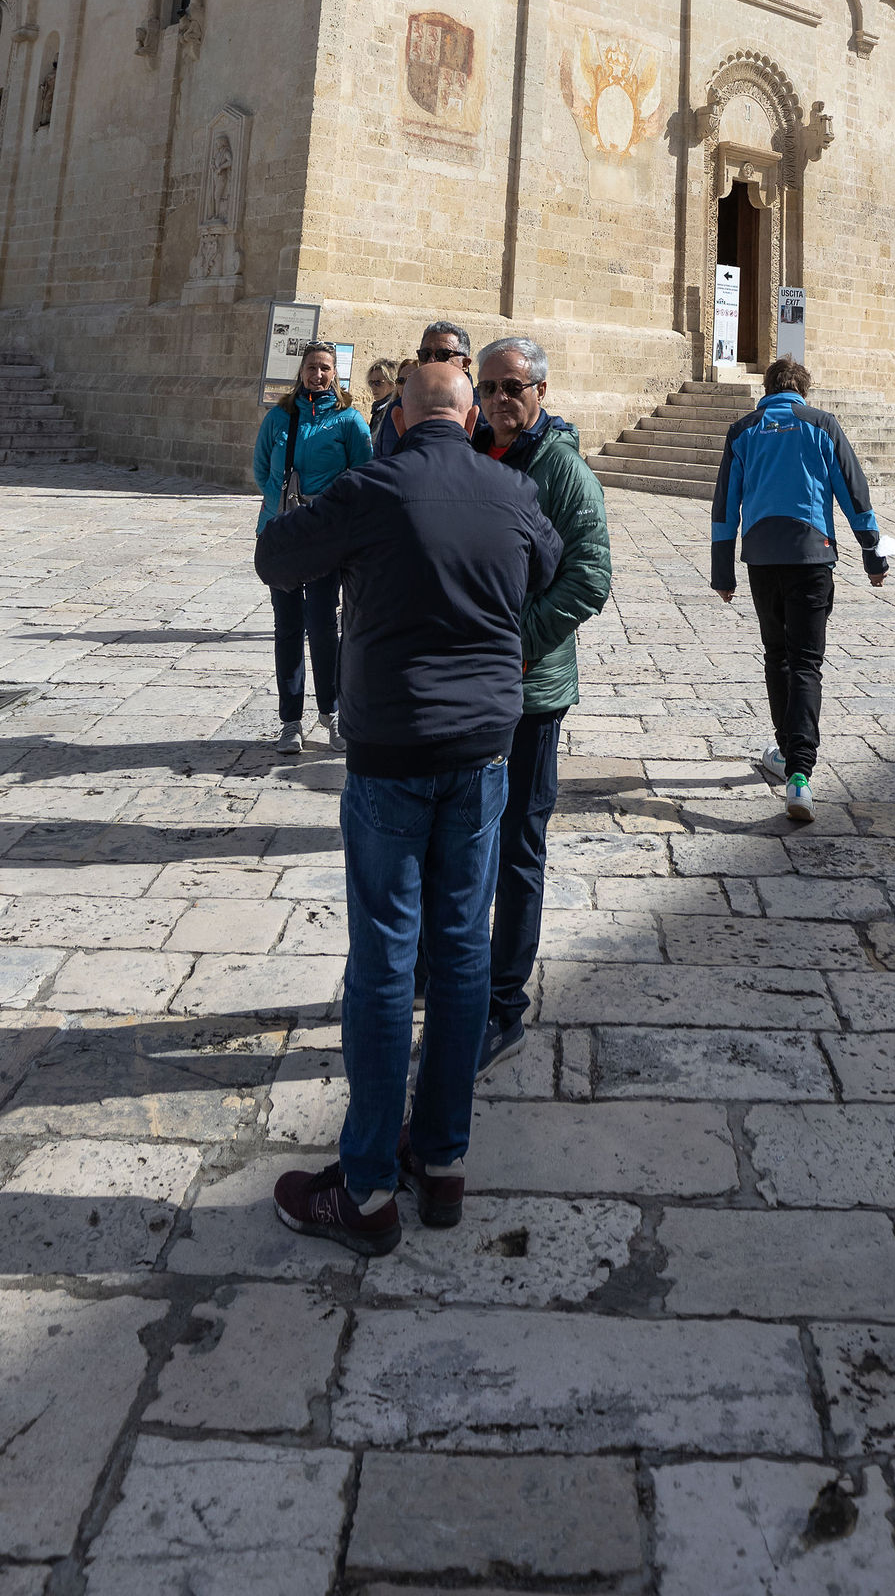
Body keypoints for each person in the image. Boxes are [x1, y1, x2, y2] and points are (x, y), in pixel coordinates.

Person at [257, 359, 562, 1255]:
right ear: (470, 420)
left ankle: (366, 1188)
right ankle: (443, 1159)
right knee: (463, 954)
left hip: (390, 759)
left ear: (396, 416)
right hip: (480, 757)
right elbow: (546, 564)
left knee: (387, 960)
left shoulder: (374, 484)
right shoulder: (508, 487)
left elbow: (279, 558)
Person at [470, 333, 613, 1076]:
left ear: (541, 393)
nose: (500, 400)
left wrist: (516, 639)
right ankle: (451, 974)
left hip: (527, 689)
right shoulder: (472, 451)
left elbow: (591, 576)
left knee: (518, 845)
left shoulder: (562, 470)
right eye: (489, 387)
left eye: (513, 388)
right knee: (464, 839)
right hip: (467, 690)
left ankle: (503, 1006)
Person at [708, 355, 886, 822]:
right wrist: (872, 553)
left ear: (766, 389)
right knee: (807, 661)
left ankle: (787, 753)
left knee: (777, 655)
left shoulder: (744, 429)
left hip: (762, 560)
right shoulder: (822, 424)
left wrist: (722, 572)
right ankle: (800, 774)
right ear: (803, 390)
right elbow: (853, 490)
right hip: (812, 557)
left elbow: (726, 505)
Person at [251, 342, 371, 752]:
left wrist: (330, 510)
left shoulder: (348, 420)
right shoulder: (279, 417)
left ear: (335, 373)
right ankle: (290, 721)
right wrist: (282, 504)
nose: (317, 375)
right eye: (311, 367)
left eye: (325, 368)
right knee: (287, 628)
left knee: (322, 625)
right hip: (282, 532)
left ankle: (332, 713)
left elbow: (363, 473)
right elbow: (262, 467)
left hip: (325, 536)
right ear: (300, 372)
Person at [371, 320, 482, 457]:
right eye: (425, 354)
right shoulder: (398, 408)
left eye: (442, 355)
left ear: (465, 363)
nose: (431, 361)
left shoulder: (485, 410)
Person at [364, 360, 399, 441]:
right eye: (371, 383)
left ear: (393, 384)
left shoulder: (393, 410)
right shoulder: (379, 408)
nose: (373, 387)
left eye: (378, 383)